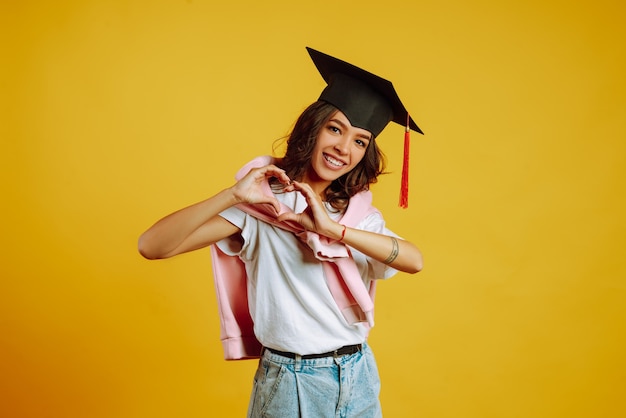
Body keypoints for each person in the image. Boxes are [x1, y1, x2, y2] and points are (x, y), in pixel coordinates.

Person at [138, 47, 424, 418]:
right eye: (335, 129)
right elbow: (152, 246)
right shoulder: (262, 209)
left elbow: (414, 260)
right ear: (314, 127)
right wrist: (233, 194)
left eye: (359, 140)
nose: (343, 148)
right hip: (292, 381)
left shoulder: (356, 216)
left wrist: (332, 229)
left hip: (358, 373)